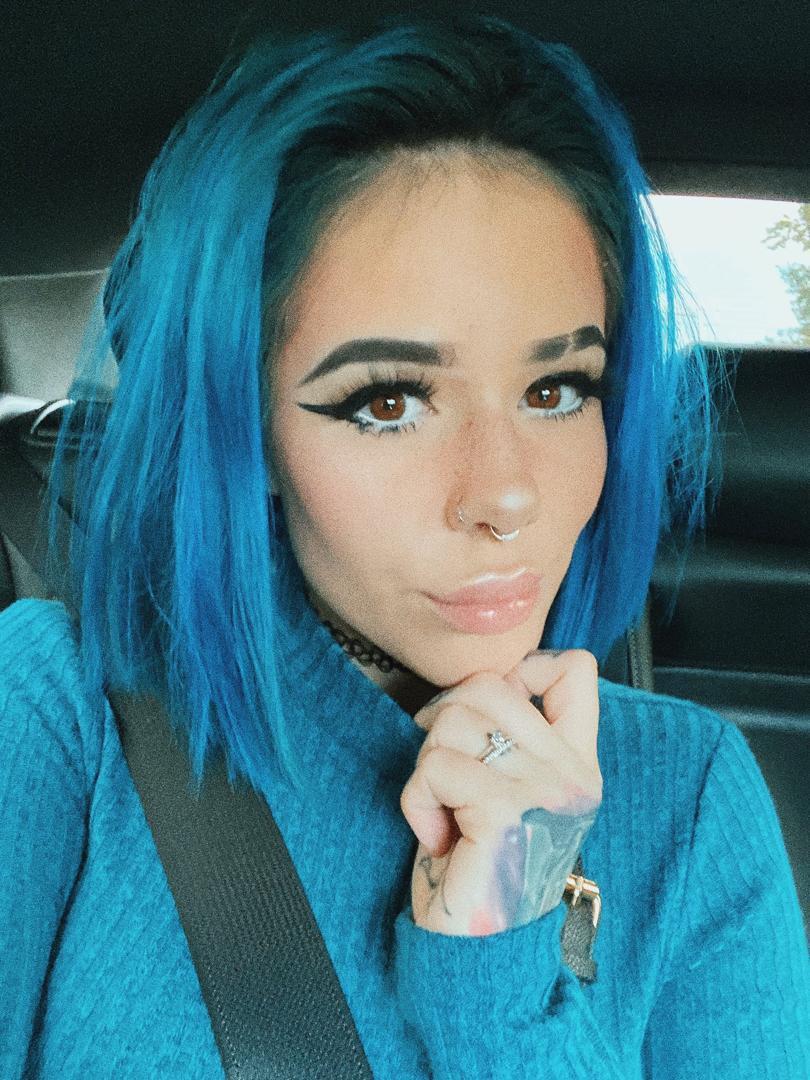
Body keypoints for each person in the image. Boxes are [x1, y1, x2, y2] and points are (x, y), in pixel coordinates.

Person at [1, 12, 807, 1078]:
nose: (506, 495)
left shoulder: (692, 796)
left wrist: (504, 968)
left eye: (557, 389)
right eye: (387, 402)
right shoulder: (58, 713)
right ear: (247, 431)